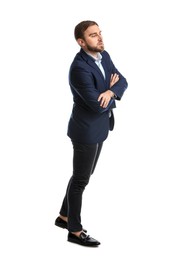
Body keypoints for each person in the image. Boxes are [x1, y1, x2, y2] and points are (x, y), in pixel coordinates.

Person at [55, 20, 128, 247]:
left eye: (99, 33)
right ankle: (74, 230)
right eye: (93, 35)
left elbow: (122, 81)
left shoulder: (103, 55)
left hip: (100, 128)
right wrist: (108, 89)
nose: (99, 38)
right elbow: (96, 105)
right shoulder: (79, 68)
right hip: (85, 131)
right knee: (80, 181)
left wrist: (109, 90)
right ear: (81, 41)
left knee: (83, 175)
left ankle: (64, 216)